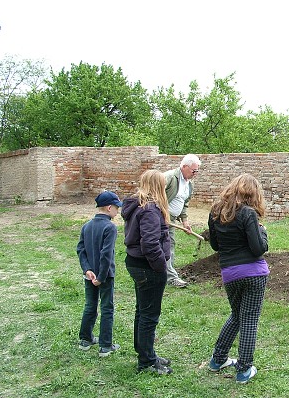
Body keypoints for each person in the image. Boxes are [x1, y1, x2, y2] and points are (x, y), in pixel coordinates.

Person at [207, 173, 269, 384]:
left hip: (229, 273)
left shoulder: (216, 211)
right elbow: (258, 248)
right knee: (249, 320)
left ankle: (218, 360)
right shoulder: (248, 214)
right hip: (253, 273)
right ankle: (244, 370)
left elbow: (215, 246)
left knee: (236, 316)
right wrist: (263, 233)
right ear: (253, 194)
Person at [121, 169, 173, 374]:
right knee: (149, 314)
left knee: (142, 311)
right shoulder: (150, 209)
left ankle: (146, 351)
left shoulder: (138, 205)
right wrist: (161, 267)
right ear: (158, 185)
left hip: (136, 263)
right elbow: (150, 243)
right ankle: (147, 361)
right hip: (147, 267)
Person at [77, 190, 122, 357]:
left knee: (90, 305)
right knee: (107, 308)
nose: (118, 211)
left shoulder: (86, 226)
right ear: (109, 207)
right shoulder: (110, 227)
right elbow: (106, 254)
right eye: (117, 208)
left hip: (89, 275)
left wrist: (87, 270)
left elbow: (81, 250)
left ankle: (85, 339)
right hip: (104, 276)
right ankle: (105, 345)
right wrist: (101, 277)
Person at [163, 154, 202, 288]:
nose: (195, 173)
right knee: (163, 246)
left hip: (171, 220)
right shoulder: (169, 178)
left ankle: (167, 275)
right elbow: (154, 196)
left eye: (197, 171)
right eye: (193, 170)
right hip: (159, 219)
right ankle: (170, 277)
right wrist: (160, 214)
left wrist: (185, 222)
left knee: (169, 246)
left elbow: (184, 203)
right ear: (184, 166)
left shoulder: (189, 184)